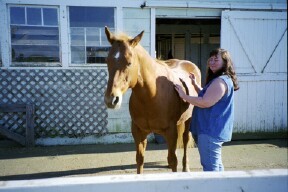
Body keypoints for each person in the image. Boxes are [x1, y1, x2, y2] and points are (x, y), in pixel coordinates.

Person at [174, 48, 239, 171]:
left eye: (216, 60)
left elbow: (205, 102)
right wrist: (194, 84)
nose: (212, 62)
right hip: (213, 130)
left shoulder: (220, 82)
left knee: (210, 167)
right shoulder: (222, 79)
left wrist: (184, 96)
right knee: (216, 165)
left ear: (225, 63)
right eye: (211, 60)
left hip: (210, 131)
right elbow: (207, 95)